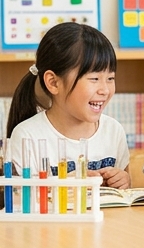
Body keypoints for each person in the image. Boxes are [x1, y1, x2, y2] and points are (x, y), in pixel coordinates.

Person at [5, 22, 132, 189]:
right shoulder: (27, 136)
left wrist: (124, 181)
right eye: (94, 79)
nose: (105, 90)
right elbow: (20, 198)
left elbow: (126, 194)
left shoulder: (113, 131)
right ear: (53, 82)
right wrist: (64, 186)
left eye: (110, 78)